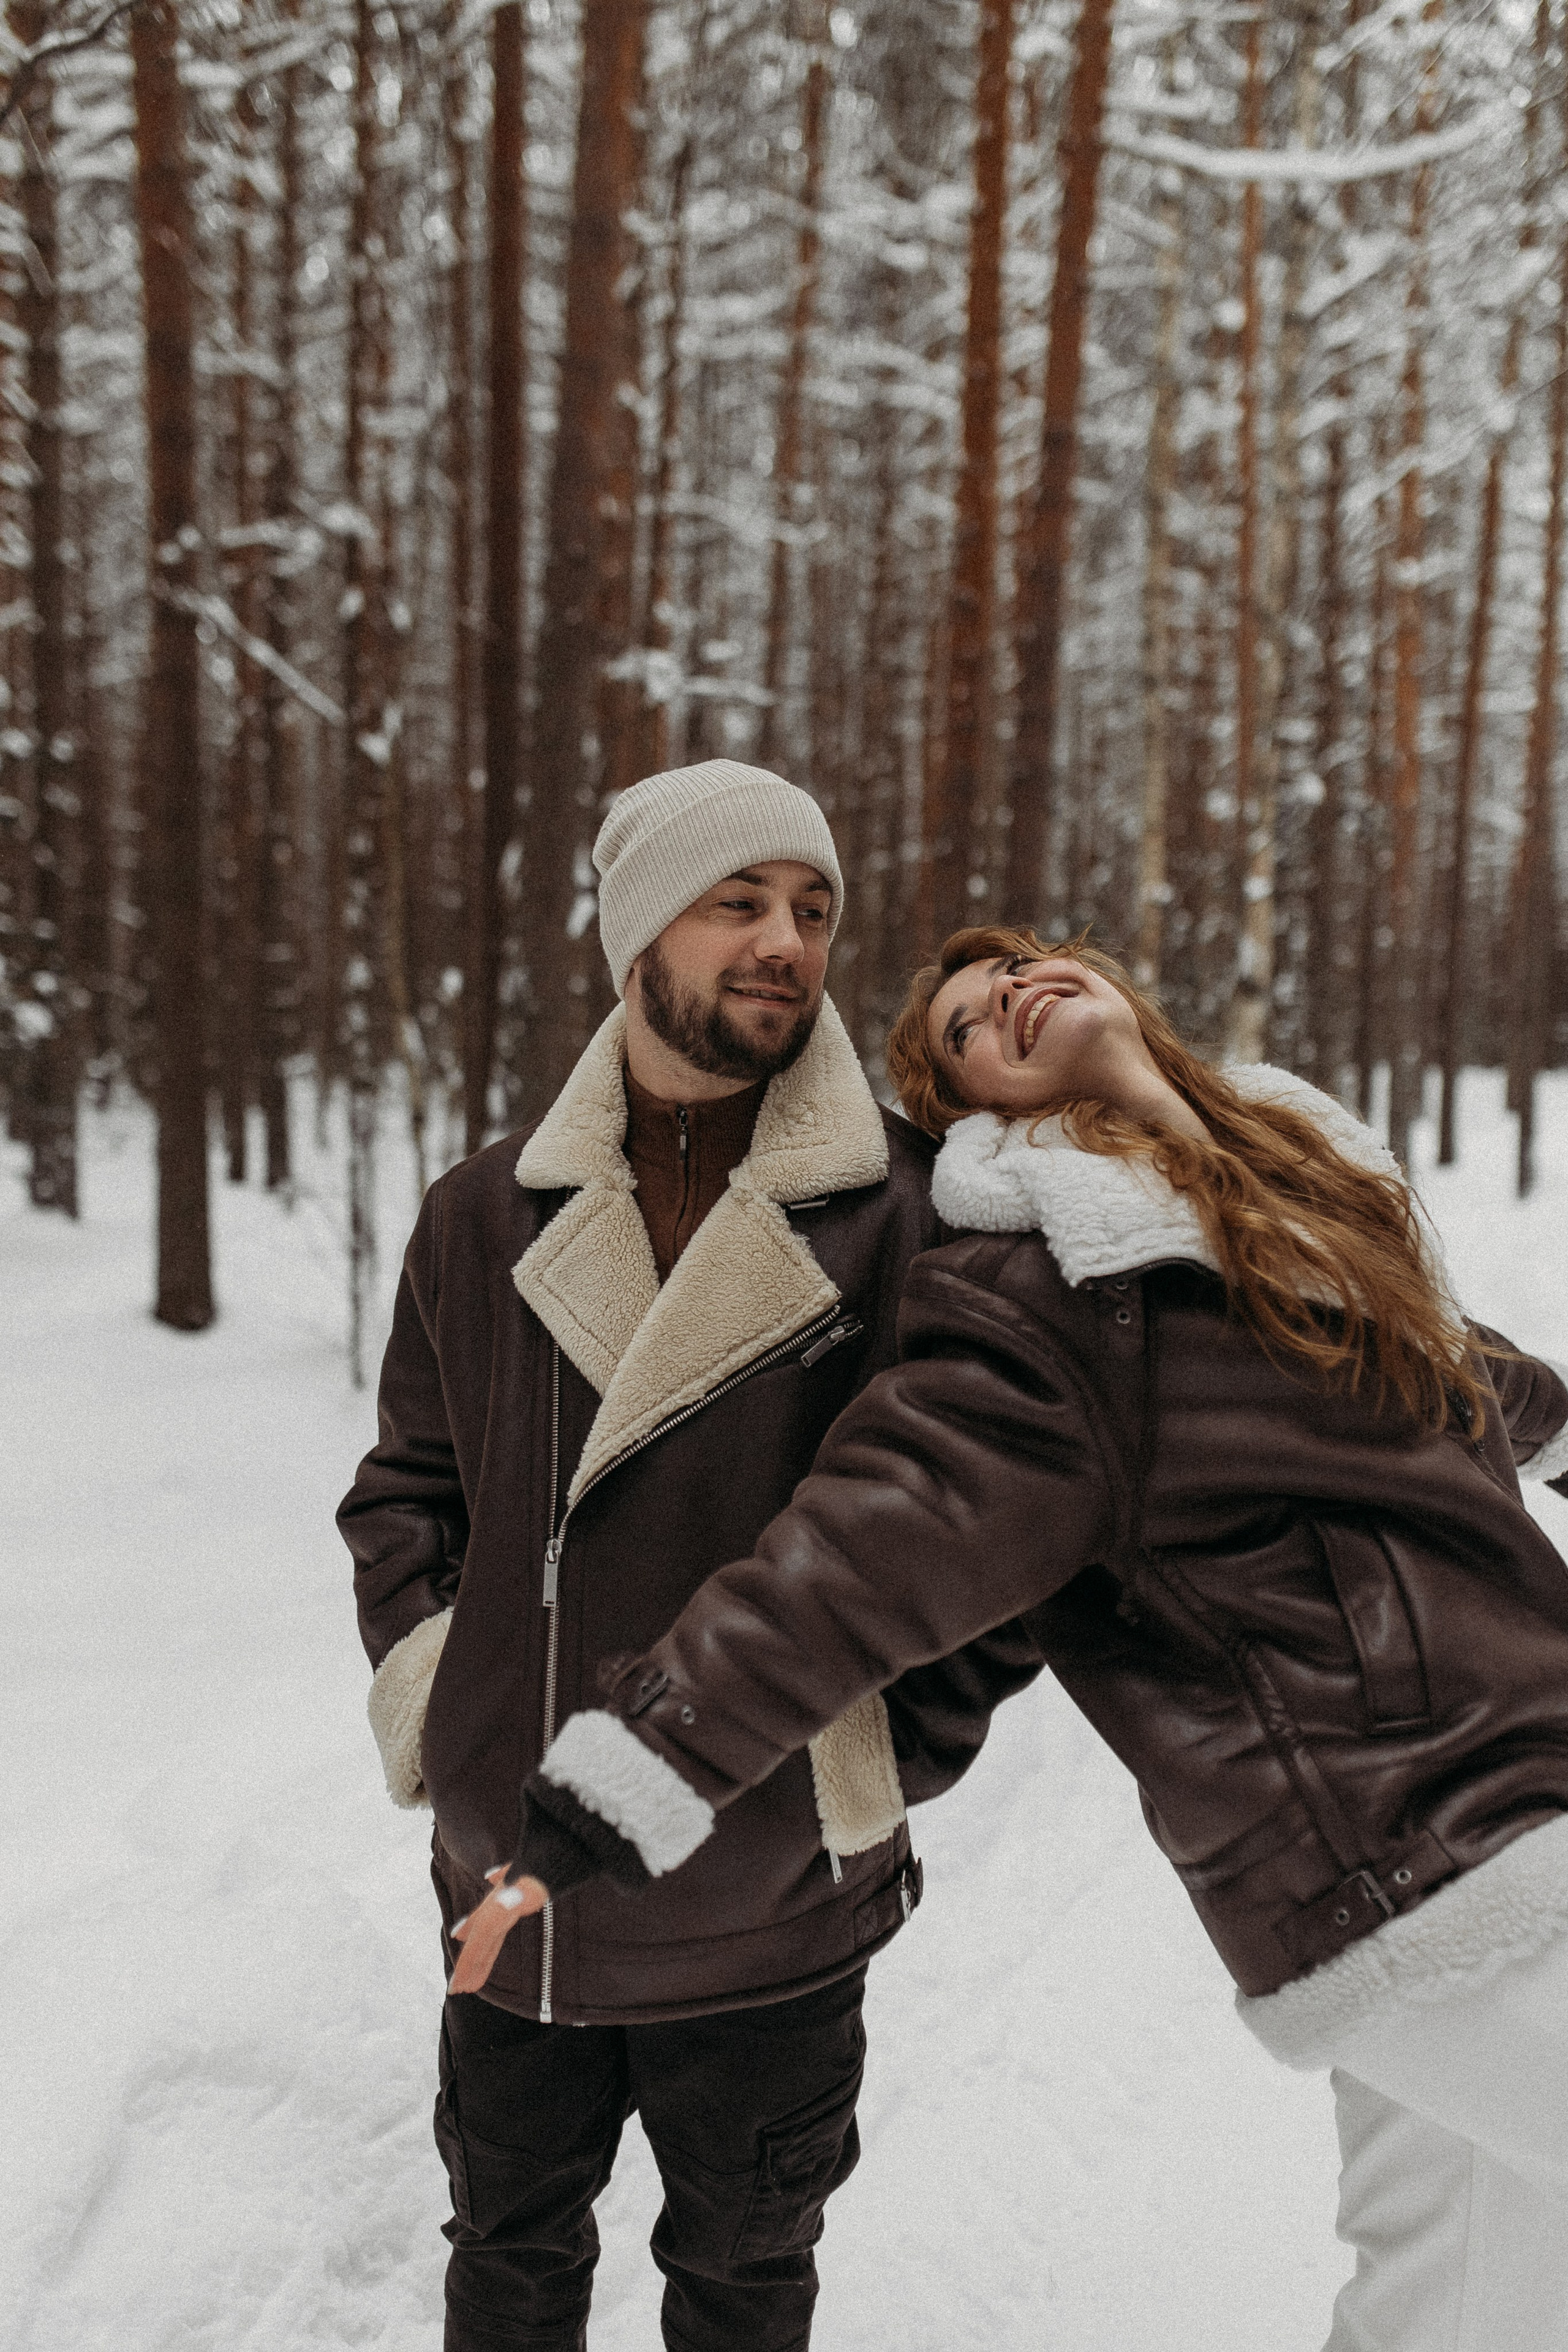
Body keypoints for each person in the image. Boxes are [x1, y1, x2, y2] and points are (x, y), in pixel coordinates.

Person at [453, 926, 1568, 2352]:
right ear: (982, 1112)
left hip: (1509, 1821)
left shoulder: (1284, 1209)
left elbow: (1446, 1374)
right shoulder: (1051, 1301)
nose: (1011, 994)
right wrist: (623, 1771)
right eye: (973, 1025)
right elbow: (853, 1557)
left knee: (1462, 2301)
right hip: (1414, 1863)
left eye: (1025, 967)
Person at [338, 760, 944, 2352]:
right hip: (516, 1885)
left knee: (742, 2292)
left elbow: (979, 1522)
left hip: (768, 1901)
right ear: (634, 941)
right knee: (510, 2275)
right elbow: (407, 1497)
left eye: (812, 909)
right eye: (736, 901)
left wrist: (870, 1754)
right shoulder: (482, 1215)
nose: (785, 942)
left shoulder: (901, 1217)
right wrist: (440, 1714)